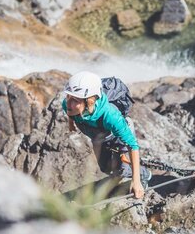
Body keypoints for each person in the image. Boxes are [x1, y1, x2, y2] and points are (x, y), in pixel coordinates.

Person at [62, 71, 151, 199]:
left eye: (74, 100)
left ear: (90, 101)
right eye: (68, 97)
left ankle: (144, 174)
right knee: (105, 167)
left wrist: (136, 182)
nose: (68, 103)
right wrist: (71, 124)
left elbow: (133, 145)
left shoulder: (110, 115)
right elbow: (69, 111)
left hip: (117, 136)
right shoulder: (68, 105)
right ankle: (118, 174)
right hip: (99, 136)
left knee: (119, 168)